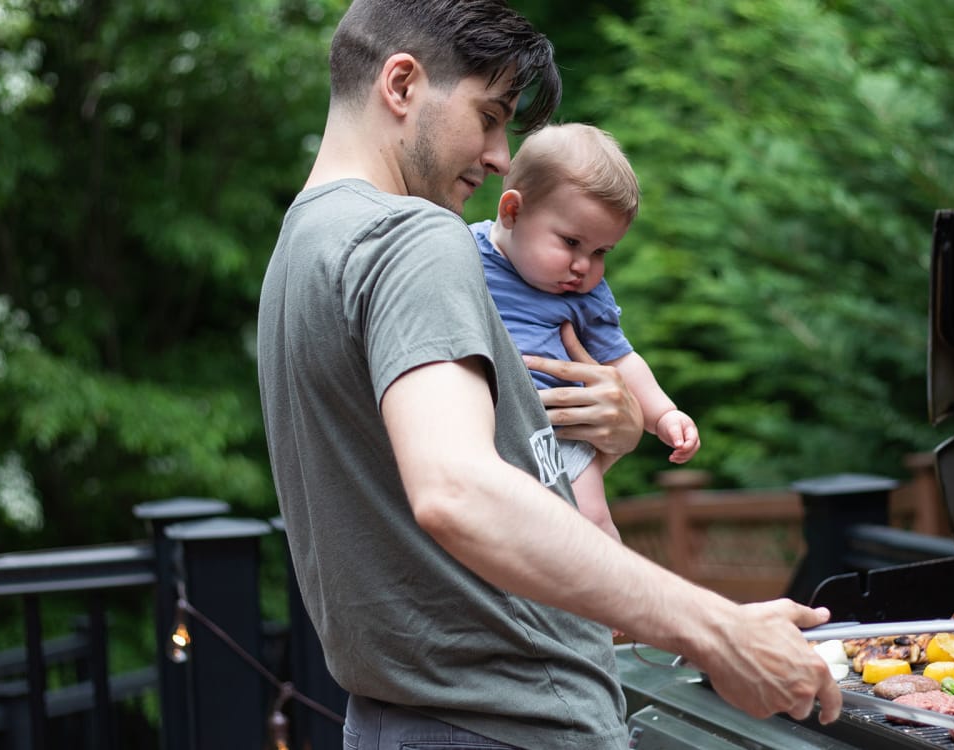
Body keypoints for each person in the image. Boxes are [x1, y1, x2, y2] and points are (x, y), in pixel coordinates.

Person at [255, 1, 842, 748]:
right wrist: (714, 628)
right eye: (490, 115)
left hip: (392, 720)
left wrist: (616, 435)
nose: (502, 153)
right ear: (401, 84)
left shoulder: (305, 242)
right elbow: (458, 492)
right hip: (515, 723)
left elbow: (429, 511)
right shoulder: (414, 236)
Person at [470, 123, 699, 542]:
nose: (583, 265)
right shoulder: (460, 253)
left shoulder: (585, 295)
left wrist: (664, 414)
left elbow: (620, 360)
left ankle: (613, 604)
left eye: (599, 252)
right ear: (512, 211)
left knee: (591, 523)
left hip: (561, 434)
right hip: (477, 430)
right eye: (571, 242)